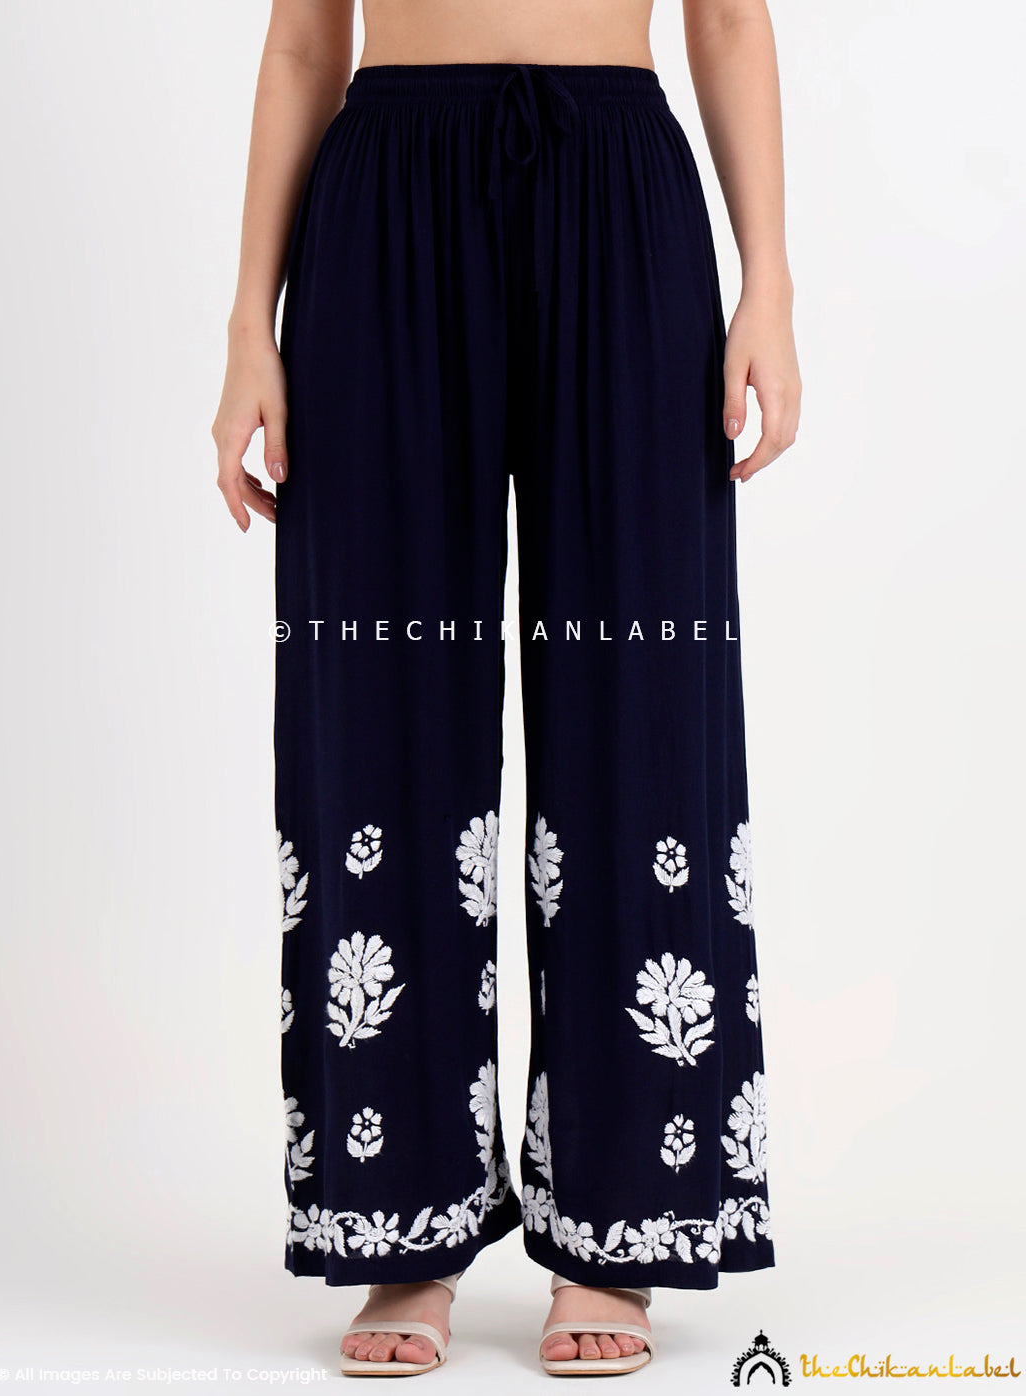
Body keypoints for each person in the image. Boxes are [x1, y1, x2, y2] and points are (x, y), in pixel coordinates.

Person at [211, 0, 799, 1376]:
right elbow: (303, 41)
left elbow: (727, 16)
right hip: (386, 201)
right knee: (379, 714)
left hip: (622, 187)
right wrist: (250, 319)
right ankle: (401, 1226)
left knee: (642, 712)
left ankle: (621, 1223)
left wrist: (768, 281)